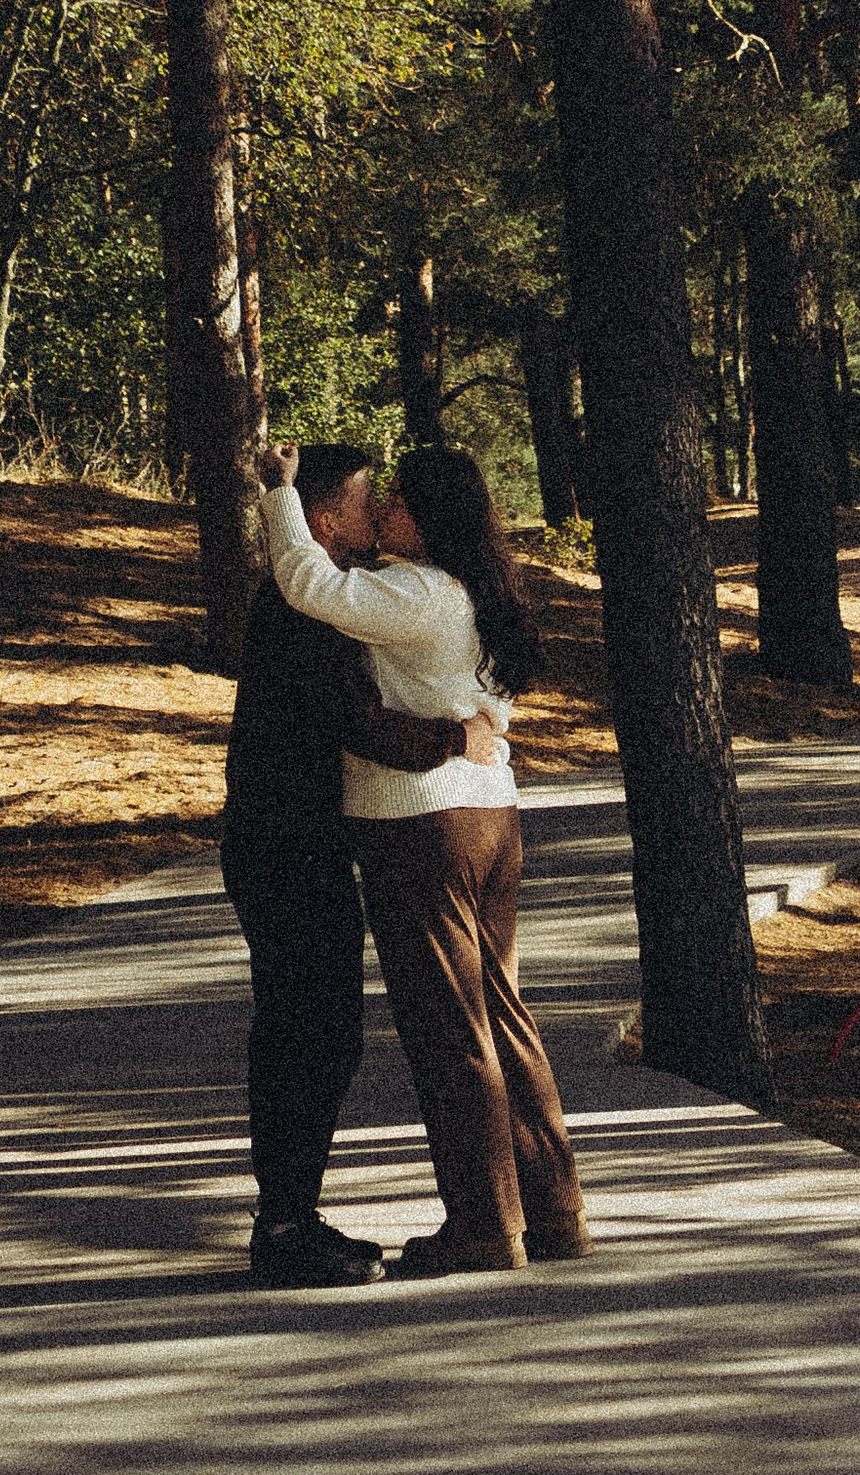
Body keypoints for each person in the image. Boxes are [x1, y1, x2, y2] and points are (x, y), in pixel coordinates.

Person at [258, 437, 590, 1278]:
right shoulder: (483, 594)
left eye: (399, 501)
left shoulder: (415, 592)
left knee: (450, 1031)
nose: (385, 512)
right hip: (493, 820)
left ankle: (483, 1224)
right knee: (505, 1015)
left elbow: (309, 583)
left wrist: (281, 493)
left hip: (422, 825)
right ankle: (554, 1211)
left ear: (433, 519)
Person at [220, 438, 503, 1289]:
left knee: (318, 1032)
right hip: (284, 845)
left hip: (300, 842)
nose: (375, 512)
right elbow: (365, 725)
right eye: (362, 499)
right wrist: (463, 735)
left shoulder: (329, 602)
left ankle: (291, 1215)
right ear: (321, 517)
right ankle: (283, 1226)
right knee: (309, 1033)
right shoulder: (301, 605)